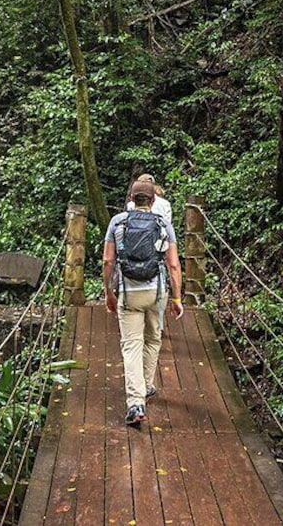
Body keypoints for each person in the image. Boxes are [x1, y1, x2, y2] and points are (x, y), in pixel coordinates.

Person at [103, 179, 183, 427]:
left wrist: (108, 292)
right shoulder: (163, 224)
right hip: (157, 292)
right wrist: (177, 297)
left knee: (131, 345)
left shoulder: (118, 222)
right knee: (153, 339)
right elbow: (173, 265)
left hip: (128, 291)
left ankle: (135, 402)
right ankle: (146, 386)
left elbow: (108, 261)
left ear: (130, 197)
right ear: (152, 200)